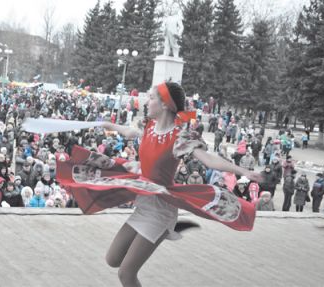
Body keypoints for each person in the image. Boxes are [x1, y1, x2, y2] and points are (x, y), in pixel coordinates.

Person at [57, 82, 262, 287]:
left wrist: (244, 171)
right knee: (112, 259)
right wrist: (105, 125)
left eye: (152, 97)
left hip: (161, 208)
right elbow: (129, 132)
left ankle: (165, 228)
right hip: (145, 204)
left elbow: (209, 160)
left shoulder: (179, 137)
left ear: (165, 105)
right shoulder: (149, 126)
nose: (147, 101)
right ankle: (165, 232)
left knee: (126, 274)